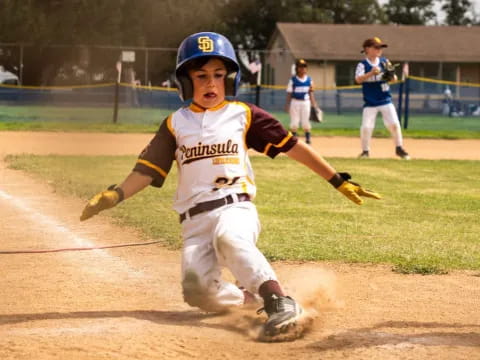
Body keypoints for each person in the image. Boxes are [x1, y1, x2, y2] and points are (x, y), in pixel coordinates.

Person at [80, 32, 381, 338]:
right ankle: (249, 297)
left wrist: (337, 180)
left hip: (234, 206)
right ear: (185, 80)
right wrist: (114, 194)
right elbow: (146, 171)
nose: (210, 83)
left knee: (230, 239)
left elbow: (293, 147)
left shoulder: (243, 114)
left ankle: (280, 302)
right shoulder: (175, 124)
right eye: (201, 75)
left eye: (218, 75)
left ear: (230, 79)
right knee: (197, 291)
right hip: (194, 222)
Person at [355, 37, 410, 160]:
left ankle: (399, 148)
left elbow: (394, 79)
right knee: (366, 127)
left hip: (385, 100)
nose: (379, 50)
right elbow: (358, 79)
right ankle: (365, 151)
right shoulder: (362, 65)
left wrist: (390, 75)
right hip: (370, 102)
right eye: (376, 47)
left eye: (380, 47)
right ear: (367, 49)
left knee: (394, 124)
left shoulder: (385, 62)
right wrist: (371, 73)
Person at [285, 59, 321, 145]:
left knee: (306, 122)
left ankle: (308, 140)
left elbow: (311, 93)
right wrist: (287, 104)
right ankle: (293, 140)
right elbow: (289, 93)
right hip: (295, 102)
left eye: (304, 67)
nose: (303, 69)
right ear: (297, 68)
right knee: (294, 123)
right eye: (300, 67)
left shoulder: (309, 80)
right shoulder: (293, 80)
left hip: (306, 103)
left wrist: (314, 105)